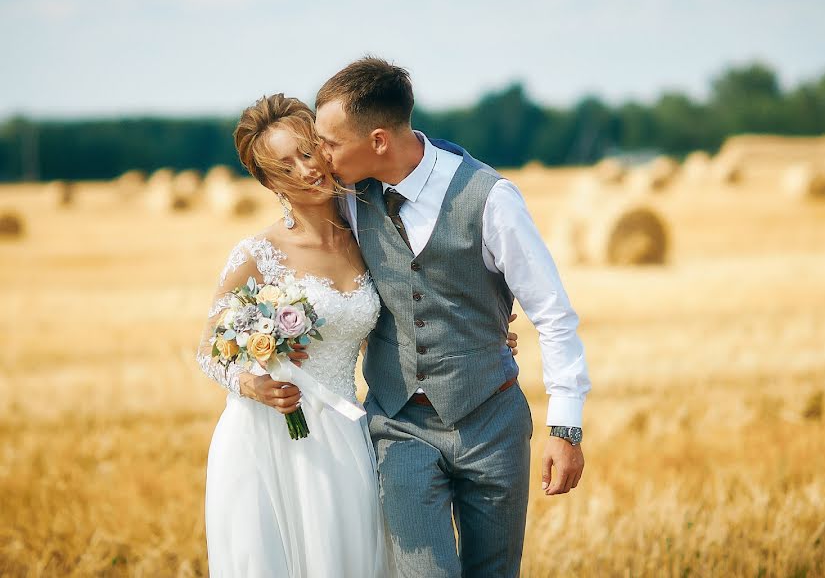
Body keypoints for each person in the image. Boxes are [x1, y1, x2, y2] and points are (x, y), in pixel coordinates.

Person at [194, 93, 520, 577]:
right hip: (270, 437)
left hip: (347, 432)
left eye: (308, 152)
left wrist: (475, 337)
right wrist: (252, 385)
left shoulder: (368, 231)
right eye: (285, 168)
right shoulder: (259, 253)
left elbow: (407, 313)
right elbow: (209, 348)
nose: (306, 170)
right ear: (268, 184)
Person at [314, 57, 591, 578]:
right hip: (399, 425)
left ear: (378, 141)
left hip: (492, 423)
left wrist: (567, 428)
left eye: (329, 142)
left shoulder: (491, 200)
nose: (321, 156)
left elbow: (553, 315)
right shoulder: (349, 199)